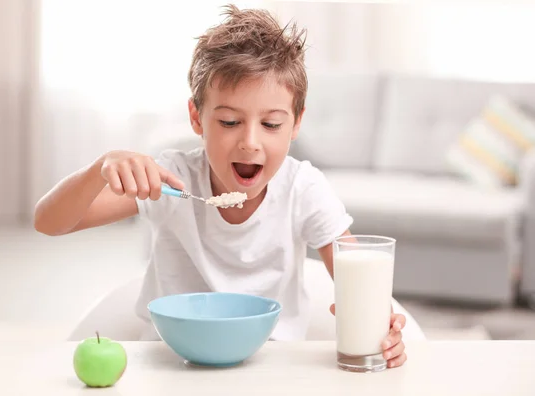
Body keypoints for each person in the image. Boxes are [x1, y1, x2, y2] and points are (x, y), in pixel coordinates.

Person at [34, 4, 407, 368]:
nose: (250, 142)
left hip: (270, 365)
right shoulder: (170, 182)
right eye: (229, 122)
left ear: (296, 123)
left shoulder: (302, 189)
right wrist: (99, 168)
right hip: (172, 362)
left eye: (272, 125)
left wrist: (382, 326)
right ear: (197, 118)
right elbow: (49, 223)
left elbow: (359, 278)